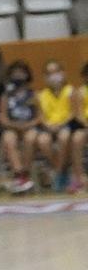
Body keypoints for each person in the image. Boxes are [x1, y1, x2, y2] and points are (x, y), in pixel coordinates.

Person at [0, 60, 45, 195]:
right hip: (13, 127)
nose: (18, 76)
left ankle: (26, 173)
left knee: (30, 137)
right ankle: (19, 174)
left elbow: (40, 116)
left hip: (30, 127)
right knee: (8, 138)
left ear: (27, 75)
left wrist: (28, 125)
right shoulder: (6, 96)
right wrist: (16, 126)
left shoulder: (33, 94)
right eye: (15, 73)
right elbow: (2, 117)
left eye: (21, 73)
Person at [36, 60, 84, 194]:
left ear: (63, 73)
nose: (54, 76)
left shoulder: (71, 91)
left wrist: (61, 125)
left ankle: (59, 174)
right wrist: (48, 126)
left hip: (66, 125)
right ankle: (61, 169)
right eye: (49, 73)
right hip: (48, 127)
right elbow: (40, 115)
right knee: (42, 140)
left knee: (64, 137)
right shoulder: (41, 95)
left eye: (56, 72)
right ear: (45, 77)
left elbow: (74, 112)